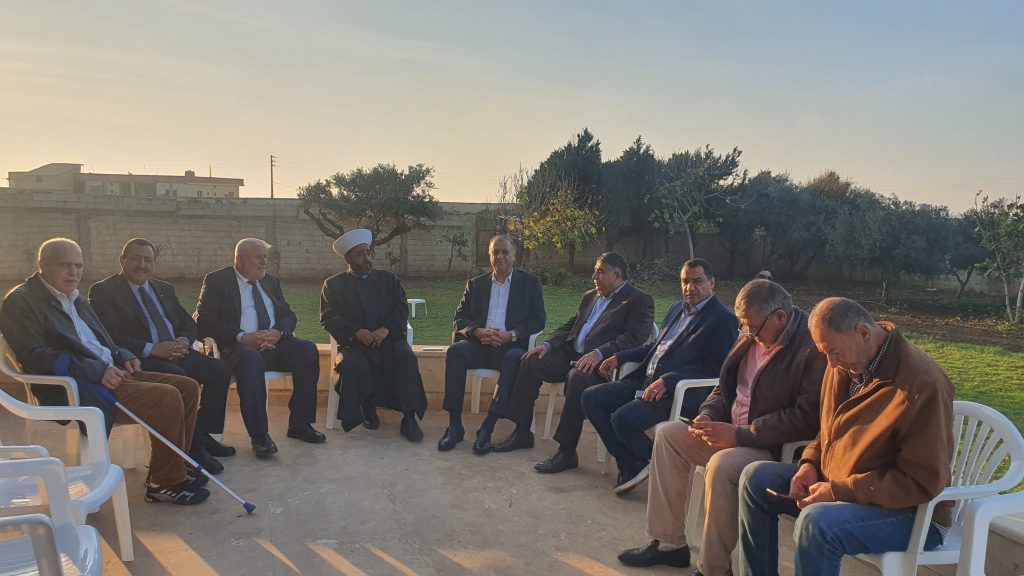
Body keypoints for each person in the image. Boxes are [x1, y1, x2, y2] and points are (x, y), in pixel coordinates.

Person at [617, 279, 825, 575]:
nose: (748, 334)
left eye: (753, 328)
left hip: (766, 447)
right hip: (729, 432)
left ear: (779, 317)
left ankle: (713, 568)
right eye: (744, 326)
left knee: (722, 465)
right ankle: (669, 544)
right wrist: (708, 414)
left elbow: (804, 418)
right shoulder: (750, 336)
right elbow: (723, 387)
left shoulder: (811, 348)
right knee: (668, 435)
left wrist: (740, 434)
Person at [737, 297, 954, 576]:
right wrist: (809, 464)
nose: (830, 363)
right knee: (755, 478)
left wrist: (839, 491)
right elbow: (829, 430)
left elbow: (922, 482)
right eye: (824, 353)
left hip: (913, 513)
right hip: (842, 485)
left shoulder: (922, 384)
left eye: (833, 352)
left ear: (863, 333)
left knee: (817, 523)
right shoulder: (845, 363)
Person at [0, 238, 209, 504]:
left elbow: (102, 340)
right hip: (83, 385)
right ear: (42, 265)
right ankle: (163, 482)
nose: (73, 273)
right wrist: (96, 370)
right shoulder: (22, 302)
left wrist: (125, 355)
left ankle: (175, 465)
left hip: (113, 372)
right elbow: (36, 356)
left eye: (78, 266)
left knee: (187, 386)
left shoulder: (75, 299)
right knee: (166, 397)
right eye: (64, 265)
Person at [582, 258, 738, 494]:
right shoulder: (677, 309)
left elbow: (716, 367)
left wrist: (670, 380)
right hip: (644, 381)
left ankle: (649, 461)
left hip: (675, 394)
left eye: (697, 281)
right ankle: (633, 462)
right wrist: (620, 357)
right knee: (591, 398)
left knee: (622, 419)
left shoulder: (722, 319)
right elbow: (655, 348)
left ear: (712, 283)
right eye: (685, 281)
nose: (690, 287)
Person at [89, 238, 235, 475]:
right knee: (180, 379)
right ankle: (192, 449)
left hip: (177, 351)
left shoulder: (164, 289)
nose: (142, 265)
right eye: (136, 259)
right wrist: (152, 348)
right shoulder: (105, 291)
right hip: (142, 359)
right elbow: (108, 335)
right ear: (122, 260)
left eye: (148, 260)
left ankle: (200, 433)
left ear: (154, 264)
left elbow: (188, 322)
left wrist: (184, 340)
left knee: (220, 370)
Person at [507, 252, 654, 467]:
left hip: (602, 365)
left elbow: (634, 339)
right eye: (595, 271)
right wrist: (547, 345)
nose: (594, 276)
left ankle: (567, 452)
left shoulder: (638, 300)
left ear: (617, 275)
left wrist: (599, 353)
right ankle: (522, 433)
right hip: (570, 355)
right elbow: (571, 325)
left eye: (600, 272)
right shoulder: (590, 296)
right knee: (530, 361)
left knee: (577, 377)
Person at [195, 238, 324, 458]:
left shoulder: (271, 282)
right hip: (237, 349)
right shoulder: (218, 280)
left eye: (265, 257)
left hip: (273, 345)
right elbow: (203, 319)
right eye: (258, 258)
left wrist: (278, 333)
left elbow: (288, 315)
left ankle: (300, 424)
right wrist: (242, 336)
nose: (264, 262)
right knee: (251, 359)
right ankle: (259, 436)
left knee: (307, 351)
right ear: (239, 259)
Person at [438, 234, 545, 454]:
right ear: (489, 256)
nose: (500, 256)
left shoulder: (529, 284)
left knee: (515, 359)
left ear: (514, 256)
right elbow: (459, 318)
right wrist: (478, 332)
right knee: (456, 352)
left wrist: (511, 335)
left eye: (505, 252)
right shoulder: (476, 284)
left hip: (509, 346)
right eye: (495, 252)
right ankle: (454, 426)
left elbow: (538, 320)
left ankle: (488, 427)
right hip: (479, 344)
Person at [321, 229, 427, 441]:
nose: (366, 258)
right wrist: (356, 332)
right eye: (359, 254)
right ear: (348, 258)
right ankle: (366, 407)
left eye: (368, 252)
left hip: (388, 339)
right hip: (355, 343)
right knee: (352, 363)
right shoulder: (333, 285)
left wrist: (385, 329)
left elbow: (401, 308)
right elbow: (329, 317)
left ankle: (408, 417)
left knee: (405, 357)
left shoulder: (388, 279)